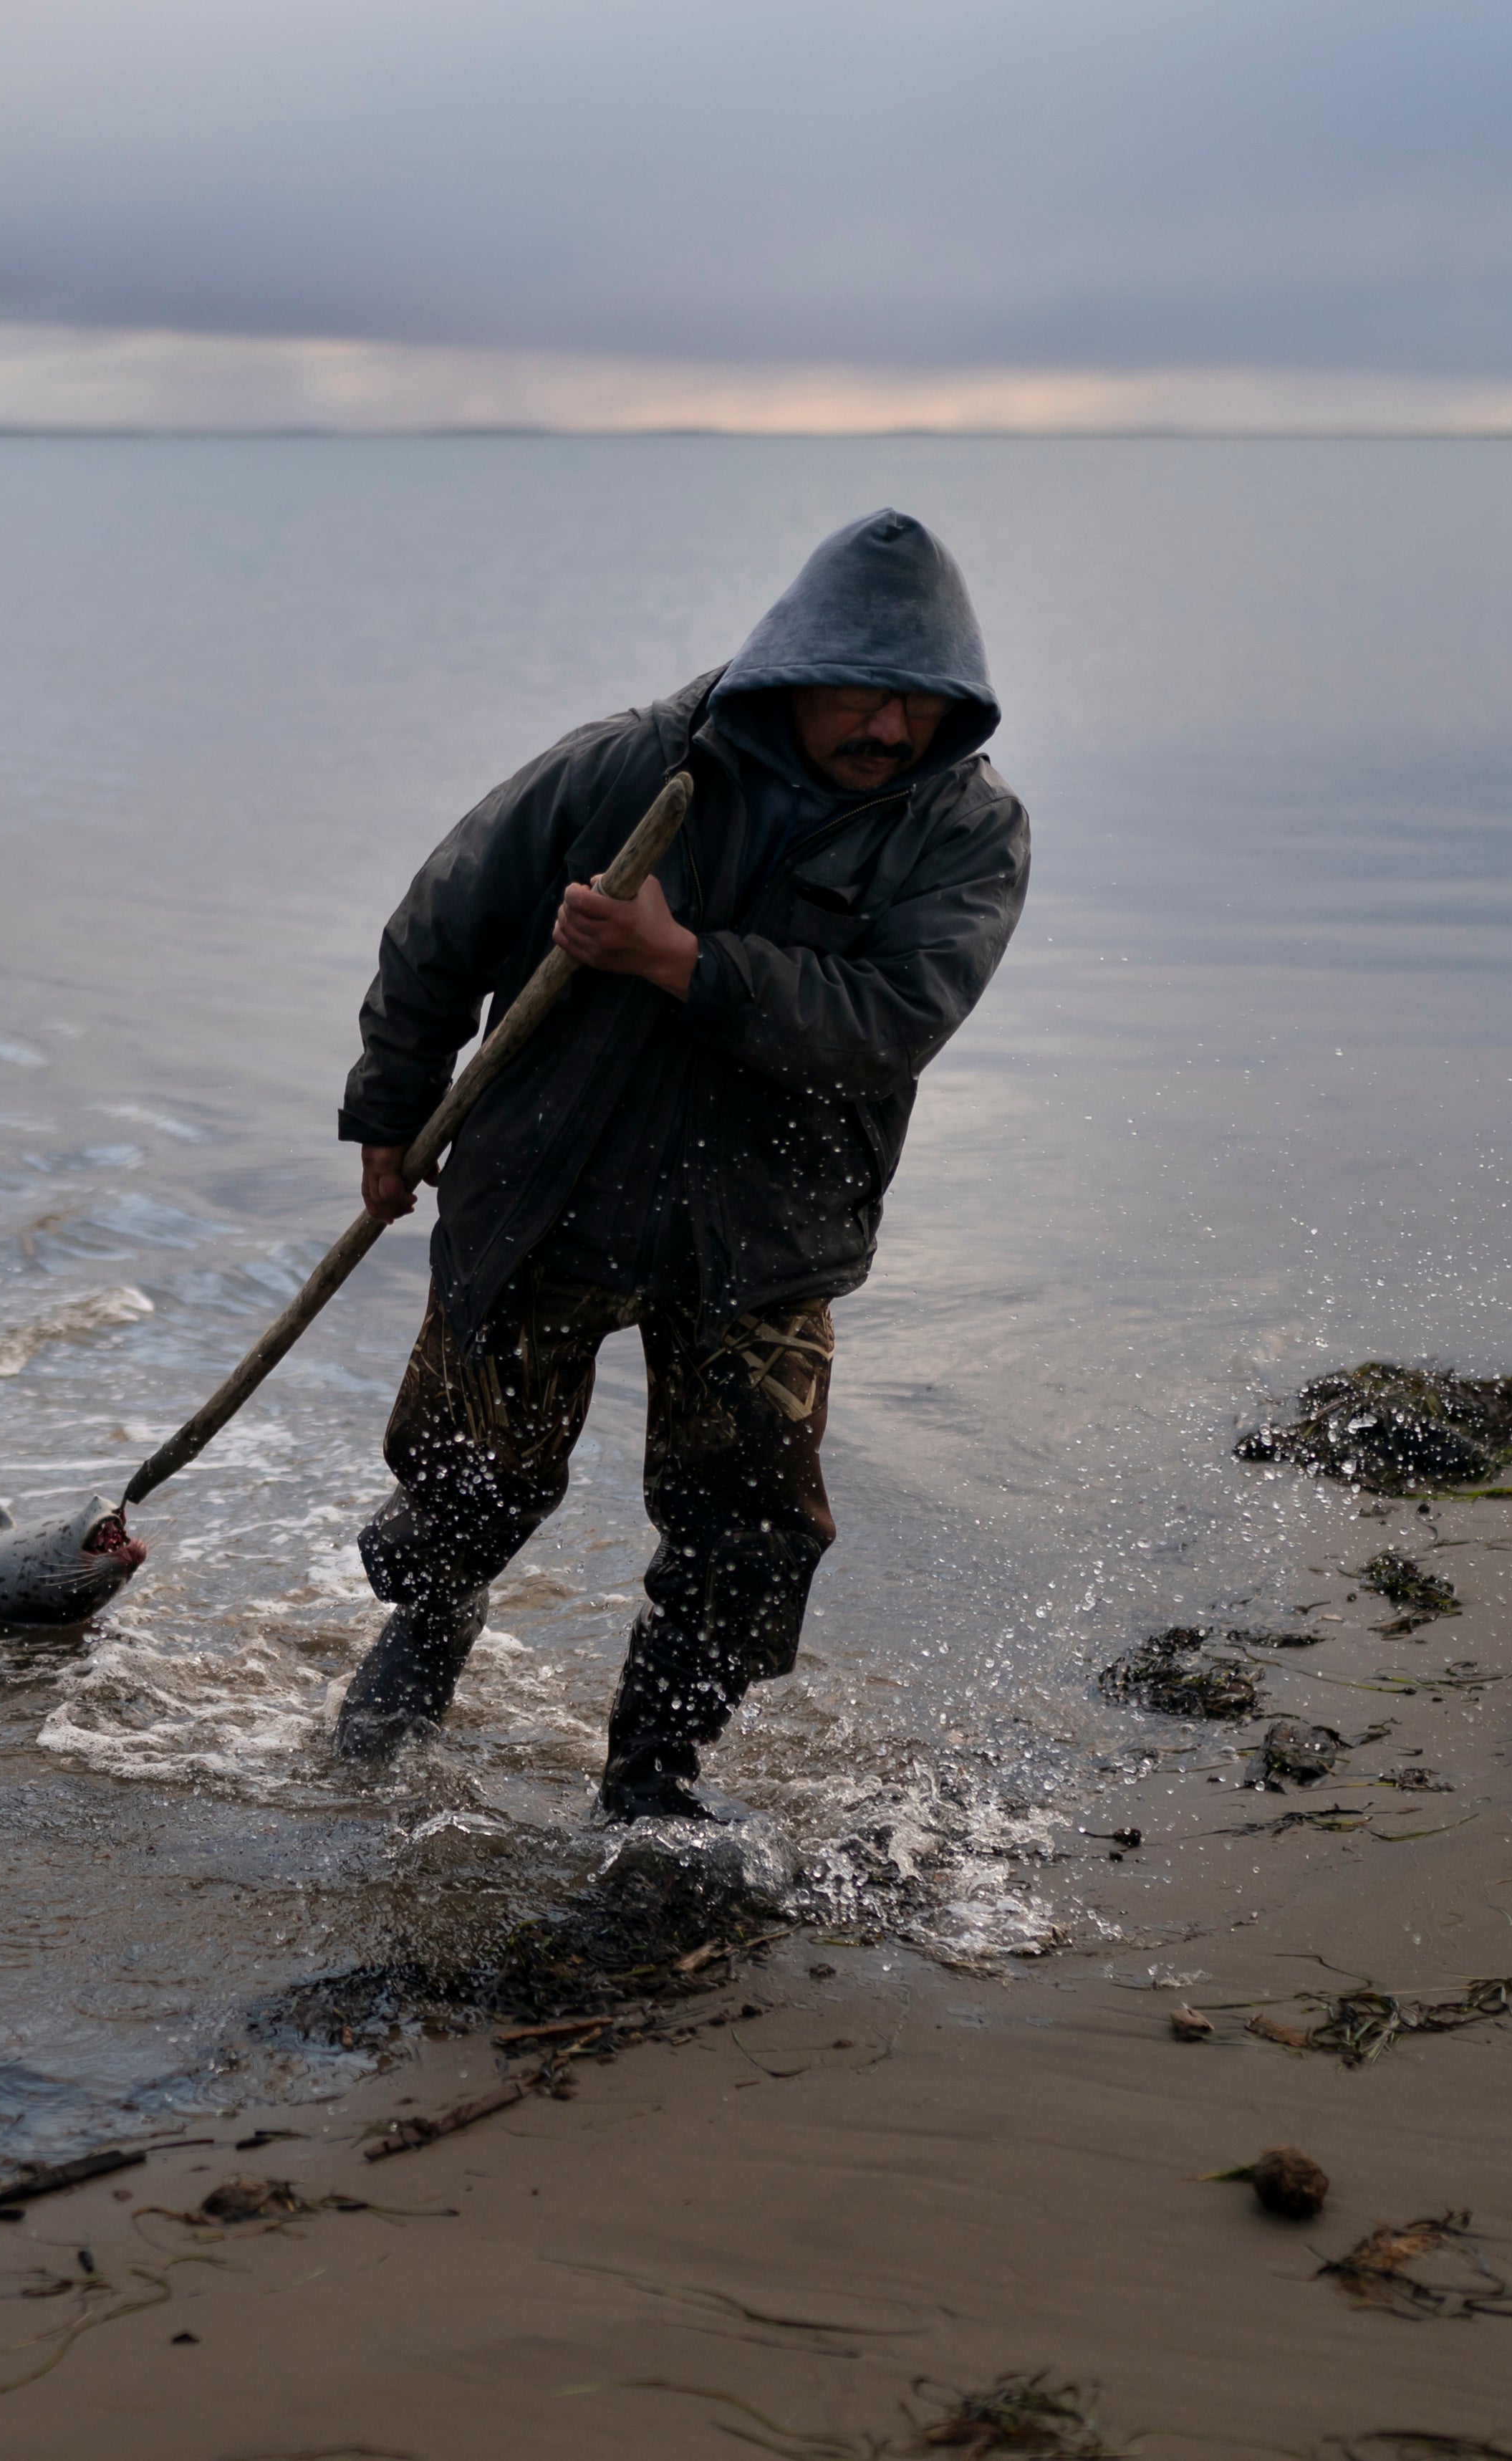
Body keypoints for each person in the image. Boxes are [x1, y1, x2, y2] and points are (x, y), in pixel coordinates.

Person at [332, 509, 1029, 1818]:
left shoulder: (965, 831)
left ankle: (654, 1779)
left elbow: (889, 1027)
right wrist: (387, 1112)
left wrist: (675, 960)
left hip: (767, 1237)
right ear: (790, 670)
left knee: (751, 1534)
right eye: (860, 693)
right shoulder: (616, 769)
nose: (890, 728)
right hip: (542, 1194)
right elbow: (440, 927)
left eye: (921, 702)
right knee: (465, 1481)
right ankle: (423, 1635)